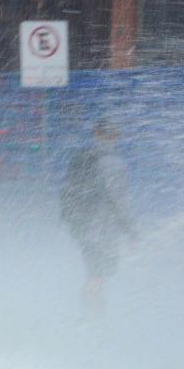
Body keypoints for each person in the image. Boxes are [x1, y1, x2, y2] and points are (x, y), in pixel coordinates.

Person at [60, 117, 137, 308]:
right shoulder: (114, 164)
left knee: (94, 273)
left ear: (96, 133)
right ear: (116, 137)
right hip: (101, 229)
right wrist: (131, 231)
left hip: (81, 225)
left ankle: (92, 316)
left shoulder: (82, 157)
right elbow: (119, 201)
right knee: (97, 276)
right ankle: (92, 320)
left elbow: (69, 190)